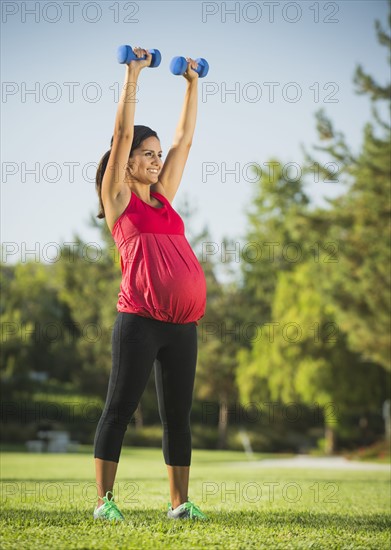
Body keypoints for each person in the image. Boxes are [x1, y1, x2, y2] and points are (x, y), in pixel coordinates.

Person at [93, 47, 208, 521]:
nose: (157, 161)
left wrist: (192, 83)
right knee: (119, 408)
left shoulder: (164, 200)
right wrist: (133, 72)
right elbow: (121, 132)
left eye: (157, 155)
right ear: (128, 162)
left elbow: (184, 140)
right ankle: (104, 503)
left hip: (183, 325)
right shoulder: (119, 199)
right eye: (147, 154)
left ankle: (179, 505)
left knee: (178, 417)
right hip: (139, 321)